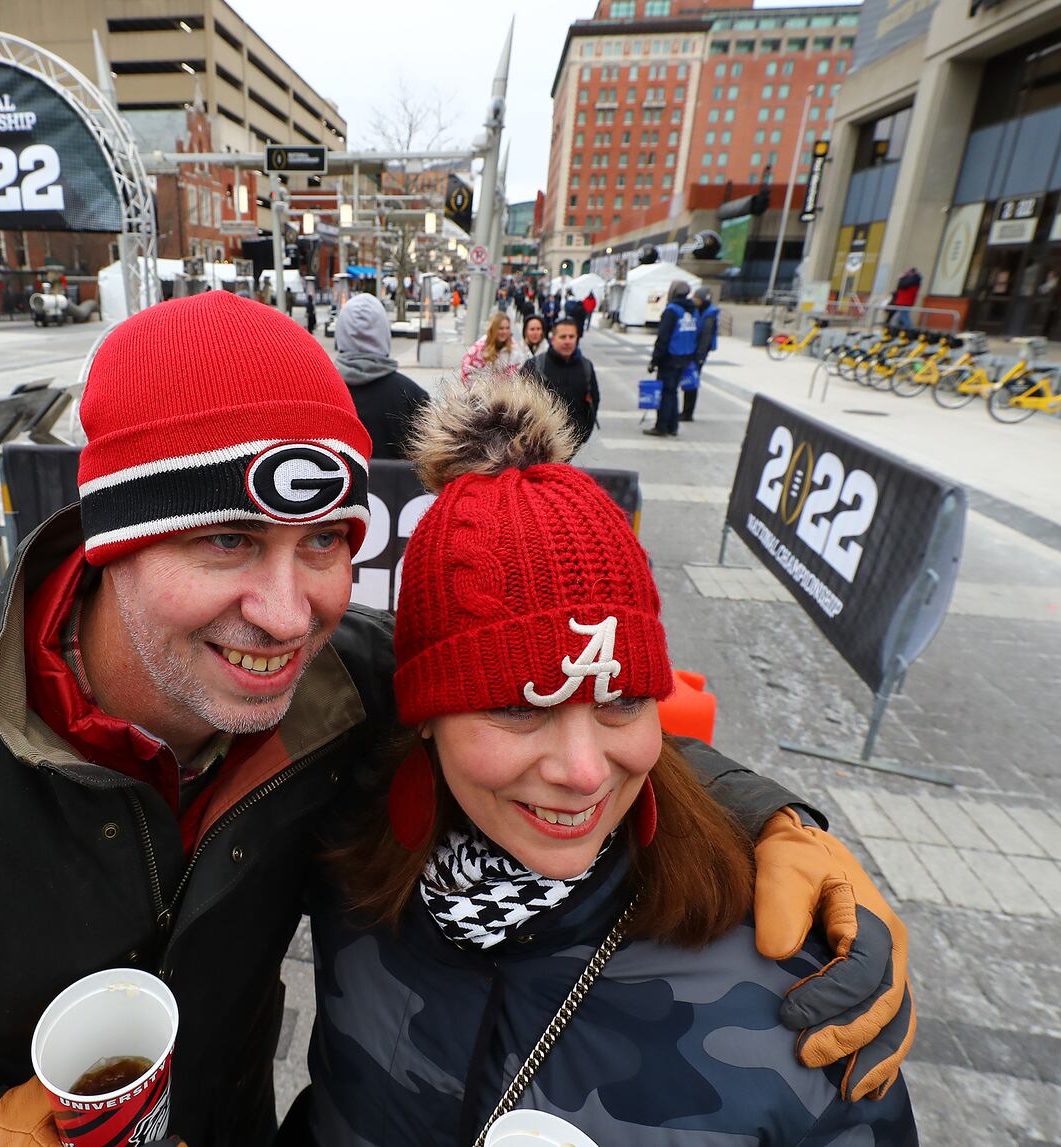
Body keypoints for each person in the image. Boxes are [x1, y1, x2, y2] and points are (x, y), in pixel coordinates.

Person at [0, 293, 915, 1147]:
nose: (284, 607)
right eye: (228, 539)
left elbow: (545, 701)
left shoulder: (340, 686)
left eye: (324, 545)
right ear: (108, 543)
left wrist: (775, 818)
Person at [290, 373, 917, 1147]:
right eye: (519, 706)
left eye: (622, 700)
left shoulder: (800, 992)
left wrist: (777, 817)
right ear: (421, 715)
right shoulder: (344, 849)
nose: (584, 771)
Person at [333, 293, 429, 460]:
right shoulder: (412, 396)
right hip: (397, 486)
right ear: (384, 334)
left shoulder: (322, 392)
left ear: (340, 334)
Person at [524, 316, 599, 451]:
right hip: (537, 444)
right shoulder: (534, 365)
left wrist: (584, 435)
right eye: (563, 337)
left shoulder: (586, 366)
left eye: (571, 337)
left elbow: (594, 400)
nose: (567, 341)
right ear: (553, 339)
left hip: (572, 443)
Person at [645, 280, 699, 438]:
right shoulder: (692, 310)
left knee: (665, 393)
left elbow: (663, 338)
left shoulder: (672, 310)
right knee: (673, 392)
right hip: (685, 356)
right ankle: (673, 426)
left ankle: (661, 426)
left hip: (669, 358)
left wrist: (655, 360)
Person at [685, 286, 720, 423]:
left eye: (696, 298)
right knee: (689, 380)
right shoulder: (699, 310)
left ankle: (688, 412)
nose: (694, 300)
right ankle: (686, 410)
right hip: (694, 350)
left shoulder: (709, 315)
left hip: (699, 353)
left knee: (692, 381)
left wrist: (699, 356)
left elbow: (706, 337)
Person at [460, 312, 526, 382]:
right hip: (482, 390)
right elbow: (466, 371)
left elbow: (519, 370)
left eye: (507, 328)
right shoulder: (479, 348)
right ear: (493, 329)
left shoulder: (514, 348)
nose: (505, 331)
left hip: (506, 390)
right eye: (501, 328)